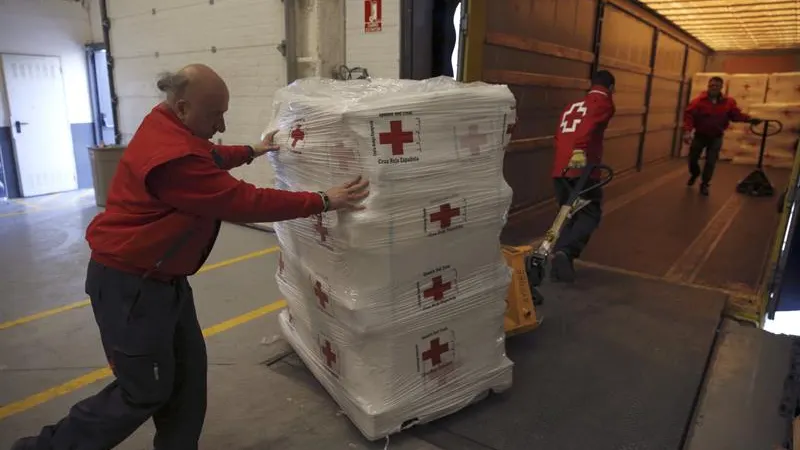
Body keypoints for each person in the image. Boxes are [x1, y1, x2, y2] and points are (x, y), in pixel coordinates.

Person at [12, 64, 369, 450]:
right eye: (216, 115)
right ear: (183, 108)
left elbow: (209, 155)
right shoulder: (172, 157)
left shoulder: (166, 123)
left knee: (187, 377)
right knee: (142, 391)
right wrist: (322, 200)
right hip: (130, 287)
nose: (221, 124)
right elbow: (244, 201)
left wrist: (253, 151)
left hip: (165, 282)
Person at [548, 70, 616, 283]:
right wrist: (579, 150)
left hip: (560, 168)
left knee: (568, 214)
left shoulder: (572, 106)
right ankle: (566, 253)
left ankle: (559, 261)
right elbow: (586, 128)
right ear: (611, 88)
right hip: (581, 167)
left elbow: (558, 136)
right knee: (589, 213)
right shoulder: (603, 103)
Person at [682, 76, 762, 196]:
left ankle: (705, 184)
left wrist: (749, 119)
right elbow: (689, 116)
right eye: (711, 85)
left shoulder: (728, 102)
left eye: (716, 86)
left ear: (721, 87)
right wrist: (688, 132)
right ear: (708, 86)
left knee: (711, 162)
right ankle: (695, 173)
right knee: (692, 159)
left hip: (716, 137)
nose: (713, 87)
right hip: (700, 136)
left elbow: (736, 115)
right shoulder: (698, 101)